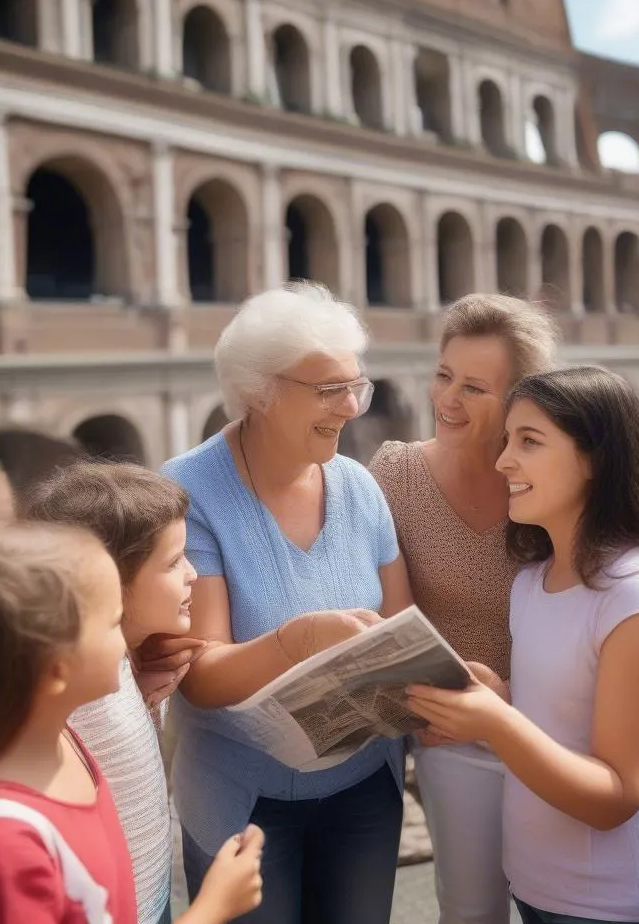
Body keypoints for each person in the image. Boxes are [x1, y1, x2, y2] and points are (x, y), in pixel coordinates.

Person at [406, 367, 639, 924]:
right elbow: (563, 717)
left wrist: (495, 720)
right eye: (507, 440)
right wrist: (504, 694)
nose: (503, 462)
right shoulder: (533, 580)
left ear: (595, 459)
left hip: (611, 905)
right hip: (536, 889)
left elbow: (616, 796)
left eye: (530, 442)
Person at [155, 282, 414, 924]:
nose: (351, 407)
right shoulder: (190, 491)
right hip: (244, 803)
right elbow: (202, 677)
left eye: (357, 385)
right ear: (259, 390)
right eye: (328, 390)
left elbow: (403, 634)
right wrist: (299, 640)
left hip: (364, 791)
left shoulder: (359, 487)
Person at [0, 523, 265, 924]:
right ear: (56, 671)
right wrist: (212, 908)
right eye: (114, 623)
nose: (127, 643)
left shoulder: (66, 744)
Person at [369, 293, 557, 924]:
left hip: (558, 723)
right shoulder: (395, 472)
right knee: (471, 911)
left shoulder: (551, 475)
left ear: (518, 398)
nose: (447, 399)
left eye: (475, 387)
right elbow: (392, 620)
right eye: (444, 375)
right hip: (453, 735)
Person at [24, 461, 258, 924]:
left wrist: (145, 698)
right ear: (108, 580)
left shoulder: (110, 670)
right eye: (173, 563)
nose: (193, 575)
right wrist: (214, 906)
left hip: (146, 898)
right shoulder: (82, 699)